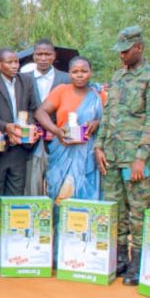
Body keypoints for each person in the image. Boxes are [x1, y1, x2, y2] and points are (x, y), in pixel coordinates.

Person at [94, 26, 150, 285]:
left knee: (138, 211)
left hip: (135, 158)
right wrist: (99, 145)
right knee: (117, 211)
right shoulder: (117, 77)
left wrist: (141, 157)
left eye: (126, 51)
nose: (122, 55)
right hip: (112, 156)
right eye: (120, 51)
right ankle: (121, 257)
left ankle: (138, 262)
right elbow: (108, 114)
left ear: (139, 48)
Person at [0, 48, 39, 271]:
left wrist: (26, 129)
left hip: (20, 150)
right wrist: (7, 127)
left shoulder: (26, 81)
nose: (15, 65)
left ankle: (12, 249)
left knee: (15, 201)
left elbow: (34, 109)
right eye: (9, 62)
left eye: (16, 62)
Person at [36, 56, 106, 205]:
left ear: (91, 72)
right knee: (61, 194)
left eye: (84, 71)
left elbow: (111, 119)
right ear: (69, 73)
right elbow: (40, 113)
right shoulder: (61, 91)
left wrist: (97, 123)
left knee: (87, 195)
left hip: (89, 153)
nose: (79, 75)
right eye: (75, 71)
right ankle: (60, 220)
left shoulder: (98, 95)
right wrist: (57, 131)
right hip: (63, 149)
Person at [26, 39, 72, 195]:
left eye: (47, 54)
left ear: (54, 55)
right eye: (39, 54)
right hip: (33, 143)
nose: (43, 58)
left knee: (59, 187)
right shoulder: (23, 78)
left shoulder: (67, 79)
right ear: (34, 56)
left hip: (60, 141)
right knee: (33, 189)